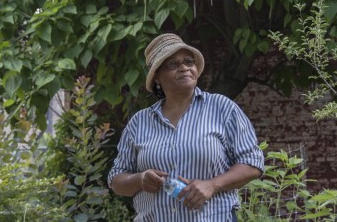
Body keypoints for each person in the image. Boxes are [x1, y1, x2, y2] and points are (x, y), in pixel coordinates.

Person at [108, 33, 264, 221]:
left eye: (188, 62)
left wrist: (212, 185)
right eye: (172, 64)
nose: (184, 68)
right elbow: (116, 180)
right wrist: (139, 180)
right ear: (157, 76)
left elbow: (252, 162)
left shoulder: (222, 108)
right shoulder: (139, 122)